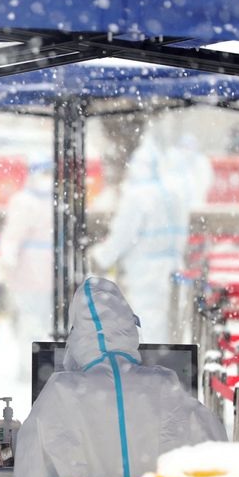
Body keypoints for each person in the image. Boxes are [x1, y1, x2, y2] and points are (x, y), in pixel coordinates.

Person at [13, 276, 226, 477]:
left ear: (77, 338)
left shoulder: (60, 393)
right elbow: (216, 465)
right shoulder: (166, 387)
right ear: (130, 330)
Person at [88, 139, 188, 343]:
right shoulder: (172, 193)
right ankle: (171, 365)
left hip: (146, 271)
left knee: (149, 321)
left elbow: (123, 234)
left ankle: (154, 366)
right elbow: (182, 231)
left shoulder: (136, 196)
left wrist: (102, 256)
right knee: (171, 322)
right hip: (172, 266)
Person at [0, 154, 54, 379]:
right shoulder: (58, 199)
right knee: (46, 321)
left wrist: (5, 265)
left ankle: (30, 369)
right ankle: (44, 367)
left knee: (29, 320)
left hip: (28, 270)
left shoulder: (23, 200)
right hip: (52, 271)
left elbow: (12, 238)